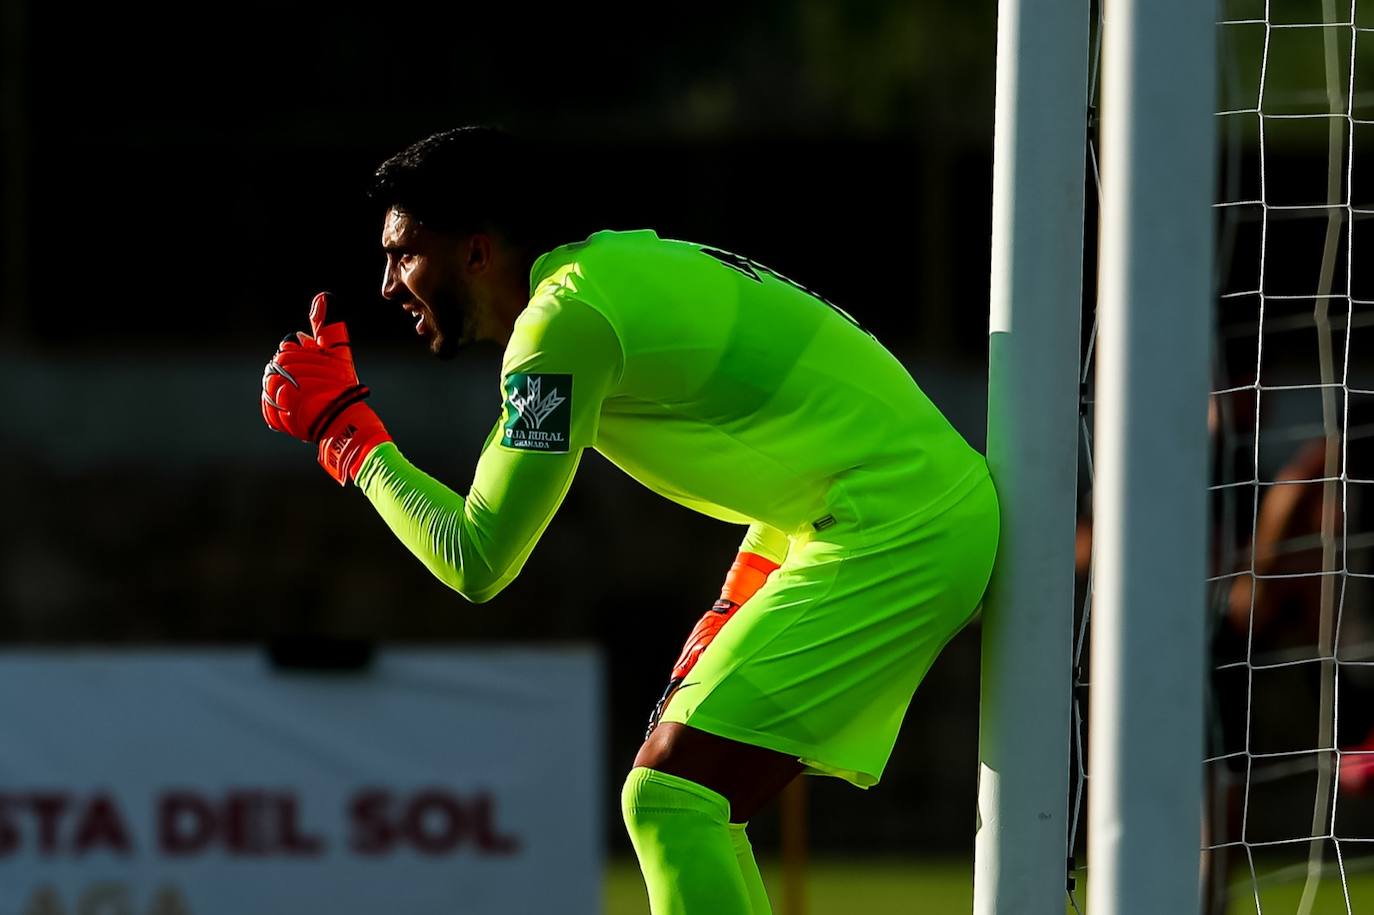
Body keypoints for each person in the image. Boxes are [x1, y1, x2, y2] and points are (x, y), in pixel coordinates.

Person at [259, 126, 999, 915]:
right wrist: (738, 594)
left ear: (476, 252)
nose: (387, 284)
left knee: (671, 798)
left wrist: (346, 434)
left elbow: (477, 557)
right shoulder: (599, 282)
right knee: (684, 800)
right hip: (880, 513)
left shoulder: (563, 324)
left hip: (899, 525)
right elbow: (803, 438)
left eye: (405, 253)